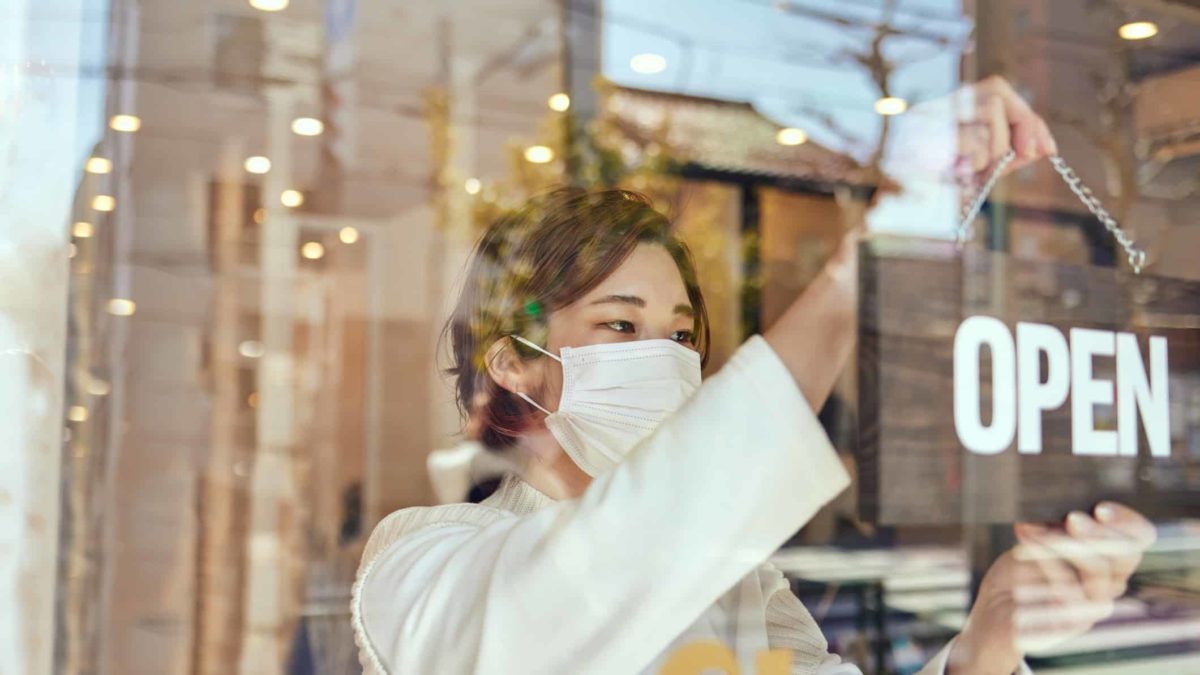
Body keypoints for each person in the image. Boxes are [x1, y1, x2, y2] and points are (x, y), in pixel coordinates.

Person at [351, 77, 1156, 674]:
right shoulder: (423, 562)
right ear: (514, 363)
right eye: (620, 325)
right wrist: (867, 262)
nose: (666, 356)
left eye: (681, 334)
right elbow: (610, 563)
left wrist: (992, 636)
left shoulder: (747, 585)